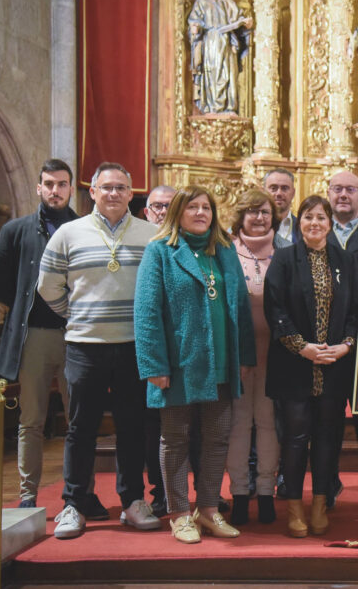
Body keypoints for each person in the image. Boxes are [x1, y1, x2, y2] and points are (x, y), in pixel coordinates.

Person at [38, 162, 161, 539]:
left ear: (130, 193)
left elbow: (159, 288)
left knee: (132, 427)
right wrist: (78, 316)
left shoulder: (151, 234)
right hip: (85, 346)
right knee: (81, 428)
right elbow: (48, 287)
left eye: (121, 187)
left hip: (133, 346)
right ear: (91, 191)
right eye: (105, 187)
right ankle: (74, 504)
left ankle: (132, 502)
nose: (113, 193)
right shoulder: (68, 233)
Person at [134, 185, 254, 544]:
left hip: (220, 363)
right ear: (178, 213)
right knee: (175, 441)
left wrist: (244, 356)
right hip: (179, 365)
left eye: (206, 207)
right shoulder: (160, 251)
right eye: (193, 207)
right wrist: (154, 364)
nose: (201, 213)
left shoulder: (225, 251)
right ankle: (180, 514)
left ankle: (208, 509)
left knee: (217, 439)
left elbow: (241, 308)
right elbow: (146, 312)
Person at [265, 195, 358, 538]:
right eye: (308, 217)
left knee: (327, 439)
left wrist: (345, 346)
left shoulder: (345, 260)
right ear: (299, 223)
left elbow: (354, 312)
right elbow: (275, 310)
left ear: (330, 223)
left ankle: (320, 504)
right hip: (295, 366)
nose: (315, 223)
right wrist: (301, 347)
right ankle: (294, 507)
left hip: (334, 368)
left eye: (321, 217)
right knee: (295, 438)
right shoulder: (285, 258)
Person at [0, 159, 83, 510]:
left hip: (77, 335)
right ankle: (28, 494)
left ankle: (79, 493)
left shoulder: (84, 227)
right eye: (49, 184)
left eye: (62, 184)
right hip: (34, 336)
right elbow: (0, 283)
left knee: (79, 419)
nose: (55, 191)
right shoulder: (15, 230)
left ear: (71, 188)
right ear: (39, 187)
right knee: (31, 420)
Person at [225, 189, 281, 525]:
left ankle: (266, 493)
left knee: (268, 424)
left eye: (264, 212)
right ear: (240, 216)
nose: (259, 218)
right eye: (251, 212)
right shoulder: (226, 251)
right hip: (239, 355)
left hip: (276, 354)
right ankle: (240, 494)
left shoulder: (286, 250)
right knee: (238, 425)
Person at [325, 170, 358, 496]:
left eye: (350, 190)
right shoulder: (314, 231)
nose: (344, 195)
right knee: (327, 422)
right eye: (338, 189)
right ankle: (326, 488)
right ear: (328, 194)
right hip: (325, 344)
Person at [141, 184, 176, 517]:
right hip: (145, 348)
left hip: (179, 350)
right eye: (157, 206)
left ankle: (188, 492)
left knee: (184, 427)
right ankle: (160, 492)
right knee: (153, 426)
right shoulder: (145, 242)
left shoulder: (191, 242)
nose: (163, 212)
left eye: (170, 205)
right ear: (146, 211)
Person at [188, 0, 252, 115]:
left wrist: (246, 24)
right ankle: (213, 107)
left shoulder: (229, 3)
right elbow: (194, 21)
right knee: (214, 73)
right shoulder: (203, 1)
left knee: (229, 74)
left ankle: (229, 107)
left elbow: (239, 21)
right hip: (211, 42)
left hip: (228, 43)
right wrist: (195, 28)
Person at [263, 168, 298, 249]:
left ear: (293, 193)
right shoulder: (252, 226)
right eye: (273, 188)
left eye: (284, 188)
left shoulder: (303, 228)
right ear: (264, 191)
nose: (279, 193)